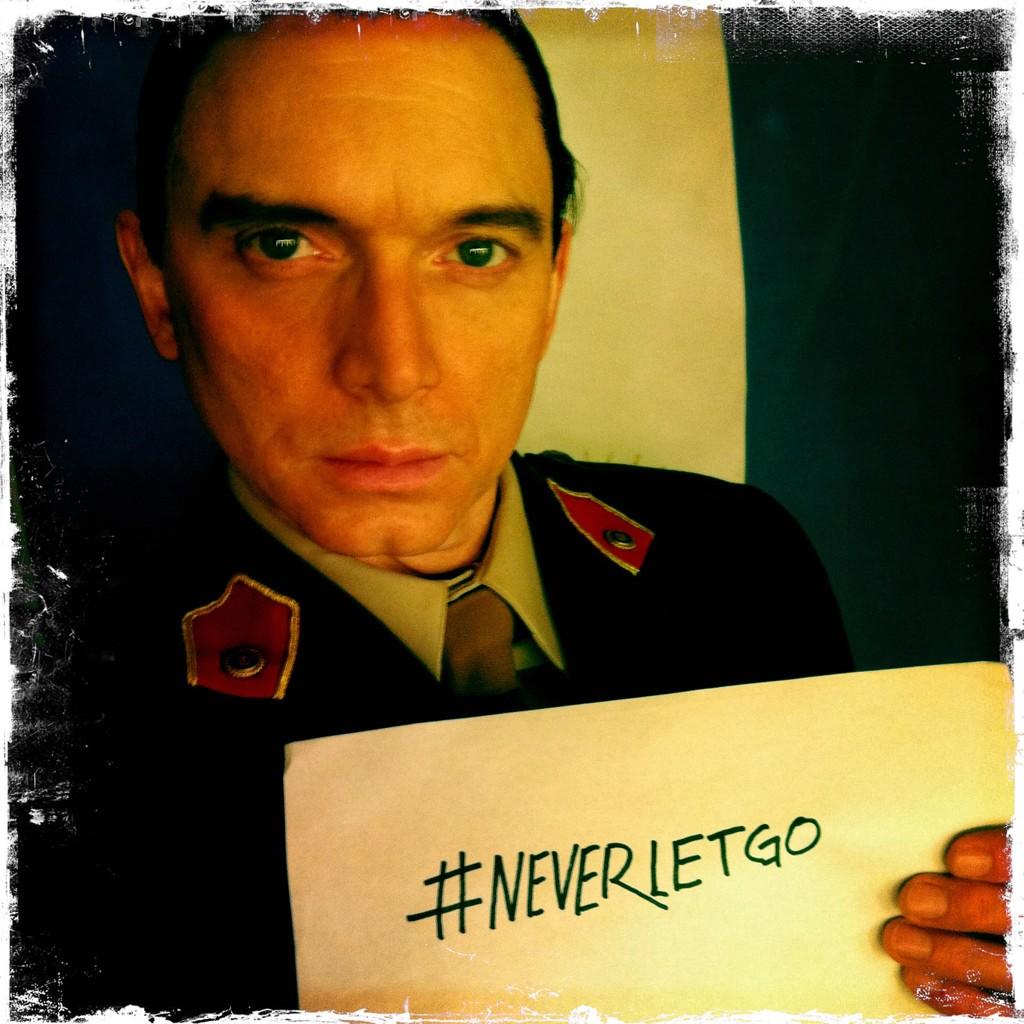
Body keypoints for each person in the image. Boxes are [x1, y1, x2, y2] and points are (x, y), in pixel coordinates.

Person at [22, 10, 1008, 1017]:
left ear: (553, 280)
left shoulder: (740, 562)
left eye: (476, 250)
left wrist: (966, 952)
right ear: (157, 286)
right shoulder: (56, 726)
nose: (394, 367)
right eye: (283, 245)